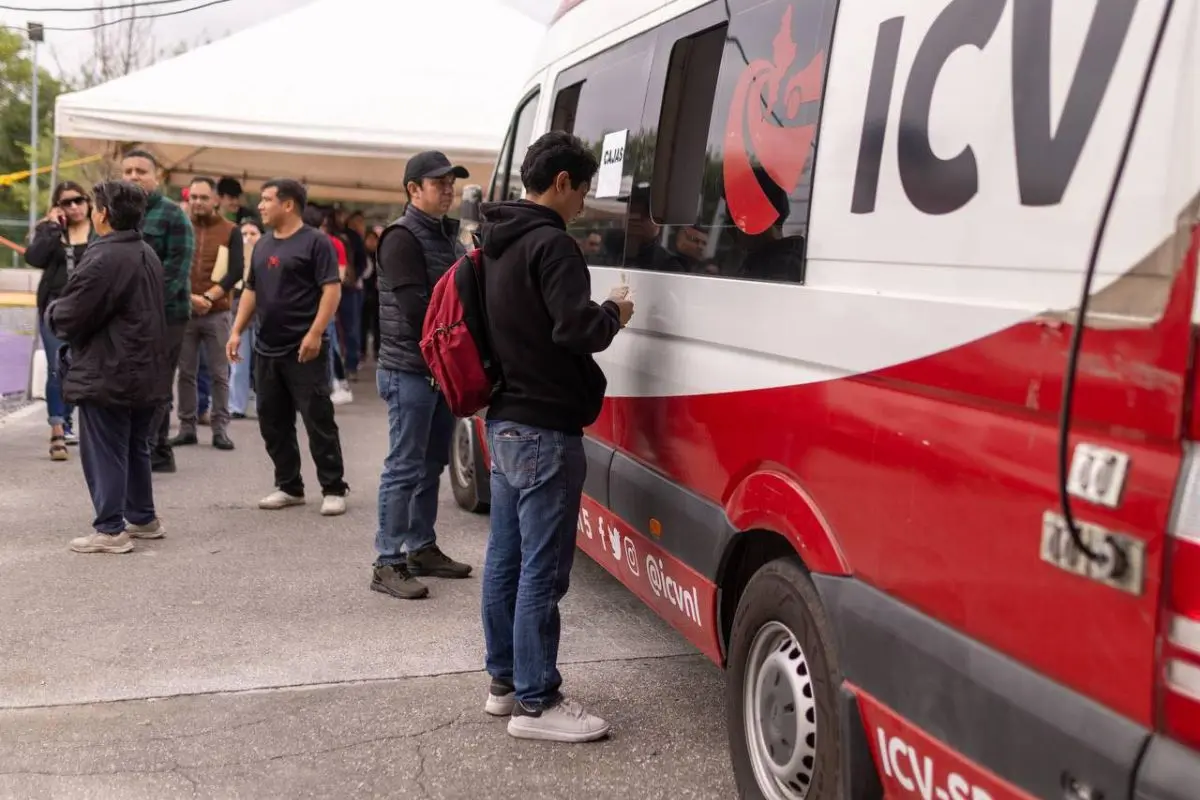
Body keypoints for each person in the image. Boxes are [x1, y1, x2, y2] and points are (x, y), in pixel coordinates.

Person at [477, 132, 634, 741]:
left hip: (505, 418)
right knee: (542, 570)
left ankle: (505, 684)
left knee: (505, 561)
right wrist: (614, 312)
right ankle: (538, 704)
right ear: (563, 182)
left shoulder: (493, 241)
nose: (585, 203)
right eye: (584, 188)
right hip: (545, 427)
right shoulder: (554, 246)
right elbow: (576, 330)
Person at [45, 180, 171, 554]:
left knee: (106, 449)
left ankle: (111, 528)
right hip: (142, 366)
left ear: (102, 214)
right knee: (134, 447)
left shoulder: (104, 257)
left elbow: (70, 314)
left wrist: (52, 310)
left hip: (111, 367)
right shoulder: (145, 251)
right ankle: (143, 518)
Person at [371, 151, 474, 600]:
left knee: (432, 464)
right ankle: (387, 561)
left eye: (451, 182)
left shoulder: (446, 236)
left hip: (436, 371)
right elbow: (418, 311)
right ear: (413, 189)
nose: (448, 189)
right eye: (439, 183)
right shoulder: (401, 237)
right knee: (404, 467)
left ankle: (421, 547)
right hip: (409, 370)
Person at [226, 179, 349, 516]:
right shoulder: (263, 245)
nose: (261, 206)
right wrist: (237, 330)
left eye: (267, 200)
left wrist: (315, 333)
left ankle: (334, 487)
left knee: (317, 418)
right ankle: (289, 485)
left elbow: (331, 290)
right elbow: (251, 290)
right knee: (272, 420)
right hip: (267, 347)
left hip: (304, 349)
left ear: (289, 204)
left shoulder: (316, 243)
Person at [122, 148, 195, 474]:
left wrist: (142, 308)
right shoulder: (116, 214)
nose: (134, 176)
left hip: (166, 314)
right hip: (125, 315)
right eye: (128, 171)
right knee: (131, 381)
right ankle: (142, 447)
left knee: (158, 382)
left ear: (157, 177)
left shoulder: (172, 215)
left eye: (141, 171)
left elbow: (176, 271)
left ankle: (157, 450)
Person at [24, 181, 96, 460]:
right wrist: (53, 227)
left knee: (77, 368)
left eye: (79, 200)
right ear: (58, 207)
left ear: (88, 202)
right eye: (67, 202)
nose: (74, 206)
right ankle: (56, 427)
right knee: (56, 365)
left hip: (89, 312)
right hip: (54, 309)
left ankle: (67, 419)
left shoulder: (99, 231)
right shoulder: (51, 232)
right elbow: (34, 257)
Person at [170, 177, 243, 451]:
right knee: (185, 372)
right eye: (194, 198)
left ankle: (220, 429)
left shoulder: (230, 230)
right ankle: (186, 427)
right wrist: (190, 298)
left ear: (215, 200)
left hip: (217, 312)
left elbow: (236, 271)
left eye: (203, 197)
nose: (198, 202)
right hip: (185, 309)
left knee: (219, 373)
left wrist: (210, 297)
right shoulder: (180, 226)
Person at [230, 219, 263, 419]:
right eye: (244, 233)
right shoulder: (233, 257)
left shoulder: (267, 255)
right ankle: (236, 405)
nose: (248, 238)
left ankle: (264, 405)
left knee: (262, 365)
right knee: (238, 365)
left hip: (263, 317)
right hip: (238, 316)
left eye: (253, 233)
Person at [339, 210, 368, 381]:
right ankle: (350, 365)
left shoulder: (348, 238)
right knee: (351, 327)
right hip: (350, 288)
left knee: (346, 328)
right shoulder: (353, 238)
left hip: (346, 287)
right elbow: (363, 263)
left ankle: (348, 364)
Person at [359, 227, 380, 364]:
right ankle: (362, 351)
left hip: (378, 295)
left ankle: (377, 350)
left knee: (377, 325)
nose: (372, 242)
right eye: (369, 239)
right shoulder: (362, 255)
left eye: (374, 240)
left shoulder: (379, 256)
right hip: (364, 293)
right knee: (363, 324)